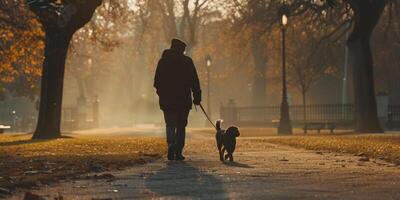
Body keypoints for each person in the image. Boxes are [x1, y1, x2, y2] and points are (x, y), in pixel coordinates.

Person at [154, 38, 201, 161]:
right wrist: (197, 97)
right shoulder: (187, 62)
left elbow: (156, 82)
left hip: (167, 100)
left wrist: (162, 94)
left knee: (170, 124)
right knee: (181, 126)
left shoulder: (163, 62)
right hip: (183, 100)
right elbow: (194, 81)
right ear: (182, 50)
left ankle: (171, 144)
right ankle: (178, 151)